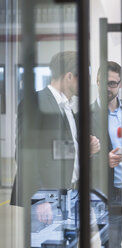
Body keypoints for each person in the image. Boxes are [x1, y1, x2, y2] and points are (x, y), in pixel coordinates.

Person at [10, 51, 100, 224]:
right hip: (45, 201)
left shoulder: (66, 107)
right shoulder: (36, 102)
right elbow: (24, 154)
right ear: (69, 76)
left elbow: (53, 150)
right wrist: (41, 198)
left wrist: (85, 149)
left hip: (66, 195)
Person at [91, 61, 122, 248]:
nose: (107, 87)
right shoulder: (85, 116)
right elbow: (77, 159)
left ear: (120, 84)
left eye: (112, 83)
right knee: (112, 244)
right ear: (97, 81)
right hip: (108, 194)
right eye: (104, 82)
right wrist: (104, 161)